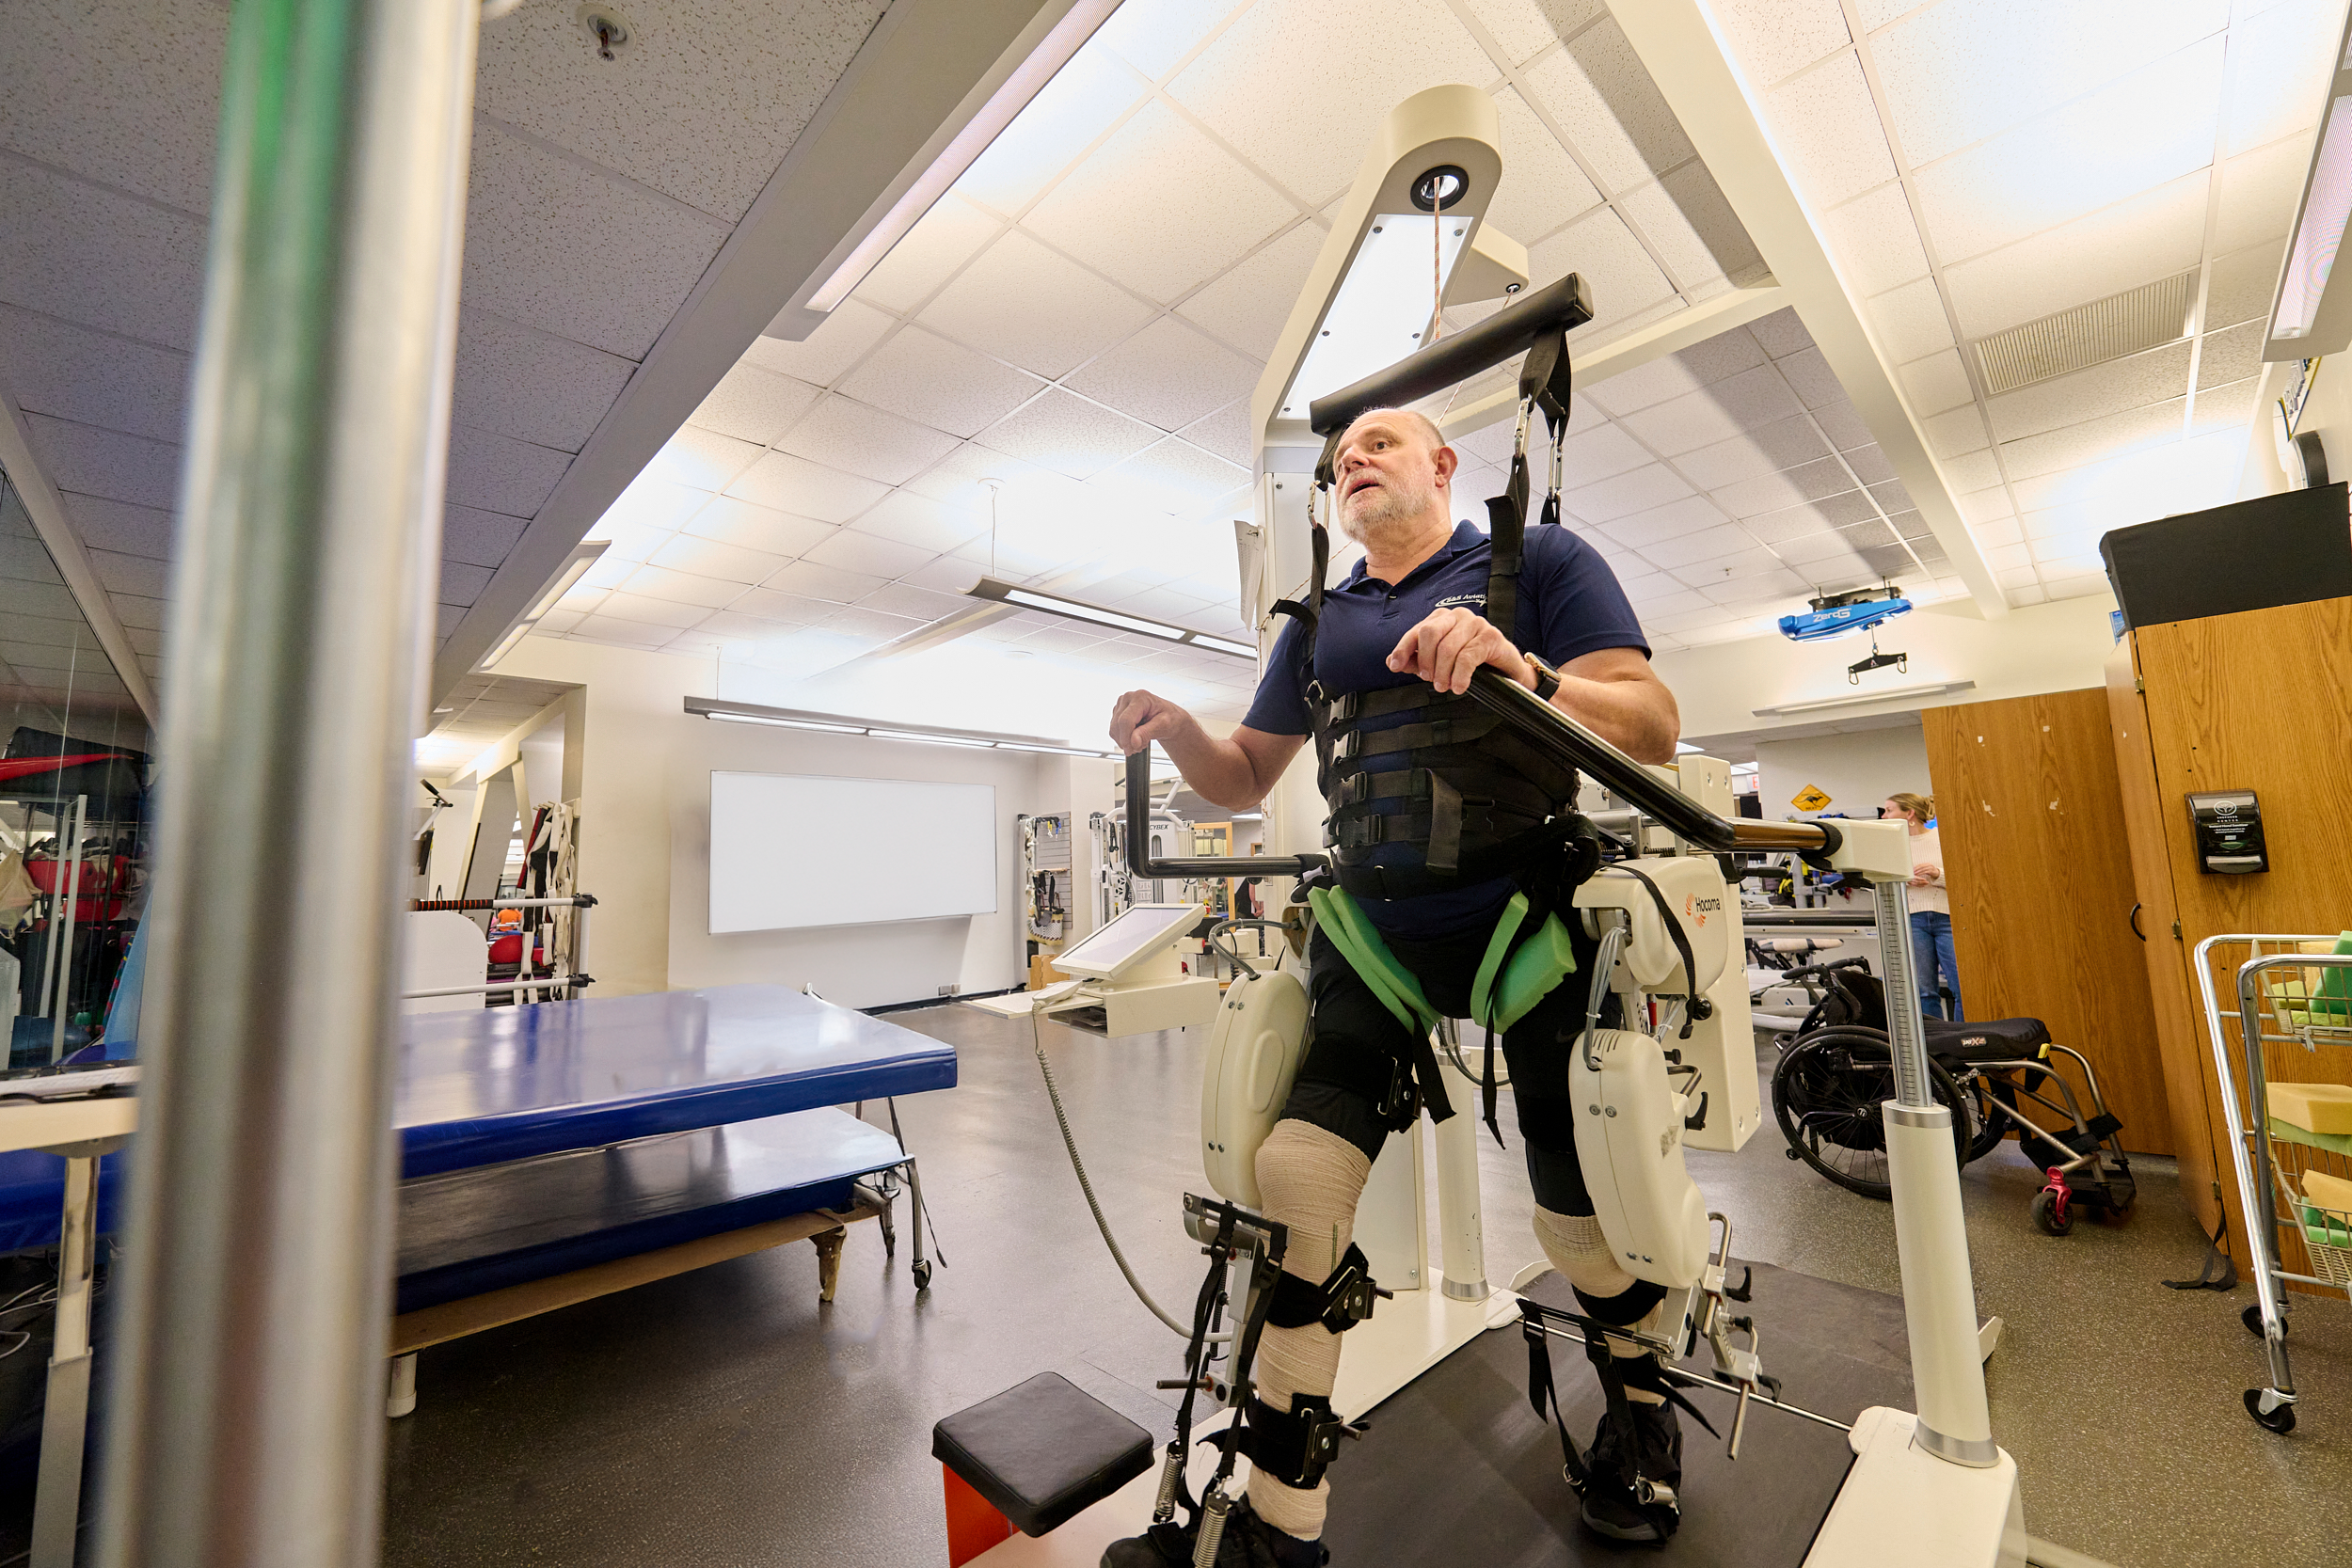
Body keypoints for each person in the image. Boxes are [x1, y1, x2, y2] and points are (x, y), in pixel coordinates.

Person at [1103, 408, 1681, 1566]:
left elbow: (1654, 727)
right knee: (1295, 1177)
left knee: (1571, 1221)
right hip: (1379, 923)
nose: (1348, 461)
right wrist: (1175, 733)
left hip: (1523, 914)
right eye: (1335, 460)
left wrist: (1527, 669)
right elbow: (1242, 775)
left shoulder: (1535, 564)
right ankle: (1277, 1527)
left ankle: (1640, 1389)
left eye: (1375, 441)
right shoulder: (1322, 619)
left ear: (1440, 464)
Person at [1883, 791, 1960, 1021]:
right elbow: (1879, 883)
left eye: (1889, 810)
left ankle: (1964, 1042)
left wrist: (1938, 874)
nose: (1884, 816)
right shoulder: (1891, 845)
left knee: (1961, 988)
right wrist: (1902, 881)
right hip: (1913, 920)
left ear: (1910, 813)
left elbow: (1963, 880)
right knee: (1924, 990)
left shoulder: (1941, 838)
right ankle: (1934, 1045)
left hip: (1947, 919)